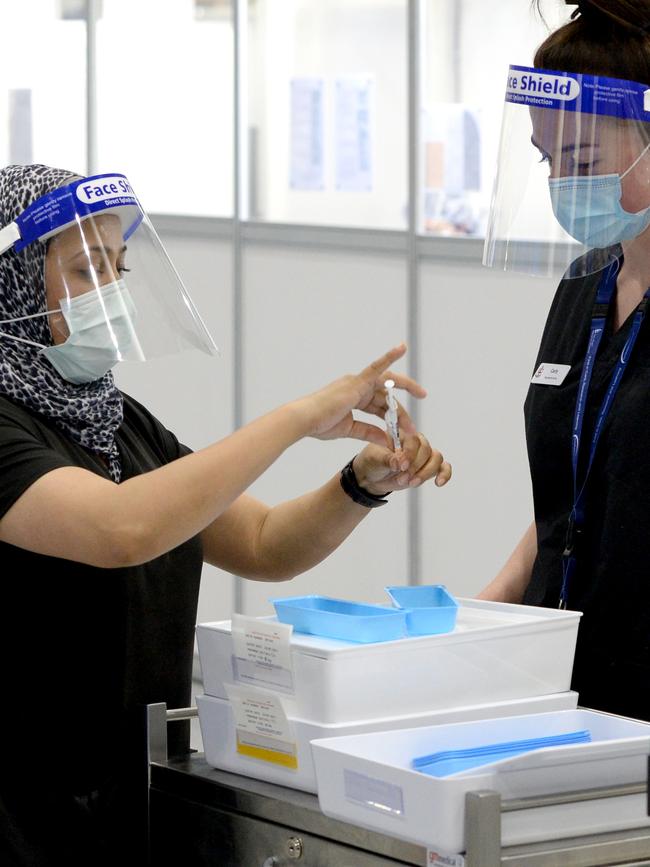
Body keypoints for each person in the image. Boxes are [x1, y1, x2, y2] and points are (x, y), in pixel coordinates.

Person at [0, 163, 451, 866]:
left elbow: (263, 542)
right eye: (88, 269)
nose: (114, 291)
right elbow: (122, 529)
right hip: (23, 824)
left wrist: (359, 484)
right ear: (15, 282)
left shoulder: (118, 423)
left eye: (119, 266)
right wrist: (300, 415)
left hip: (128, 809)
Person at [480, 0, 650, 722]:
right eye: (547, 160)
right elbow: (573, 494)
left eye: (582, 161)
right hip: (565, 684)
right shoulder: (585, 285)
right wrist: (478, 617)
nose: (560, 185)